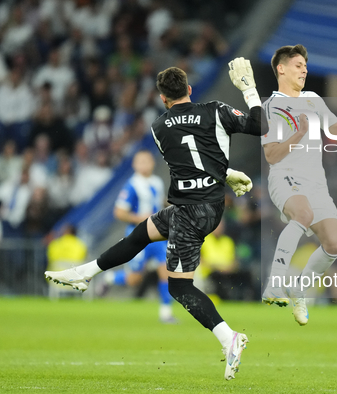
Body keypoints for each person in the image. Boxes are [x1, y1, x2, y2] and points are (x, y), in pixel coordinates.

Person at [45, 59, 265, 380]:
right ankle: (85, 273)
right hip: (206, 206)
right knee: (140, 234)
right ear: (189, 90)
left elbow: (185, 159)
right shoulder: (216, 110)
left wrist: (226, 174)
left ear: (163, 98)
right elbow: (258, 126)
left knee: (179, 287)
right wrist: (250, 89)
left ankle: (229, 338)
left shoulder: (159, 127)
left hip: (190, 211)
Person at [260, 44, 337, 326]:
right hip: (285, 174)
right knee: (303, 215)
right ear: (281, 68)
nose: (304, 70)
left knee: (334, 243)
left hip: (316, 182)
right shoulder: (271, 106)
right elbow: (271, 154)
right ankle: (274, 284)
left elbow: (336, 132)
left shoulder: (313, 99)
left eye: (305, 66)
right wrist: (298, 133)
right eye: (298, 65)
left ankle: (299, 288)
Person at [97, 150, 176, 324]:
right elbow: (119, 212)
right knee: (135, 279)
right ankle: (108, 279)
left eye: (147, 161)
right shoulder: (131, 185)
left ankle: (166, 313)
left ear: (152, 163)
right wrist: (140, 218)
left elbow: (160, 203)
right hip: (138, 236)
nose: (144, 165)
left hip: (157, 236)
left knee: (167, 271)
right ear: (134, 165)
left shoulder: (157, 182)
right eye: (140, 162)